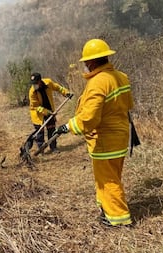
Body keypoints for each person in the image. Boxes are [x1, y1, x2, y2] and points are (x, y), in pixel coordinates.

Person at [54, 39, 134, 227]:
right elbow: (128, 105)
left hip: (105, 140)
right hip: (121, 136)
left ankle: (119, 219)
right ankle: (106, 209)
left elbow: (89, 118)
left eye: (86, 63)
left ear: (90, 62)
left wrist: (69, 126)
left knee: (109, 181)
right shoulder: (121, 76)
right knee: (110, 177)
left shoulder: (98, 82)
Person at [29, 72, 72, 153]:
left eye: (35, 83)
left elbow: (58, 88)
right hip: (38, 113)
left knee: (51, 129)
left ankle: (53, 147)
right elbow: (35, 106)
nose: (34, 85)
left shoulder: (48, 83)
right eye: (33, 83)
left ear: (40, 81)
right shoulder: (32, 92)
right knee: (40, 132)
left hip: (49, 110)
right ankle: (41, 149)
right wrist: (46, 112)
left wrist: (66, 93)